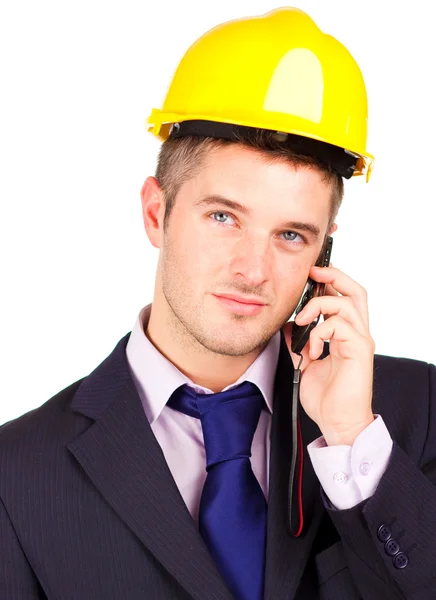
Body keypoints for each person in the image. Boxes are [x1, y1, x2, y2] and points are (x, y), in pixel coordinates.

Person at [1, 7, 435, 600]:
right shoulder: (17, 474)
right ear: (157, 213)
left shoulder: (413, 414)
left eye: (291, 235)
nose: (253, 271)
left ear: (323, 254)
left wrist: (351, 438)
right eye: (224, 217)